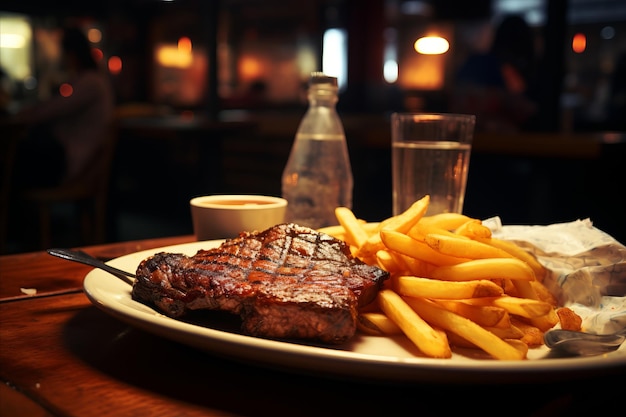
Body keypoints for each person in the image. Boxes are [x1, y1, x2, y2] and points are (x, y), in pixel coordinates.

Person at [12, 25, 115, 188]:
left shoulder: (90, 82)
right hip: (72, 158)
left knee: (13, 162)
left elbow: (55, 108)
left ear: (72, 53)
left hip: (71, 162)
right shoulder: (90, 80)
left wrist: (25, 114)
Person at [450, 15, 538, 132]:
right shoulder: (489, 65)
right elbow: (526, 108)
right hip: (486, 138)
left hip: (475, 136)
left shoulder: (477, 62)